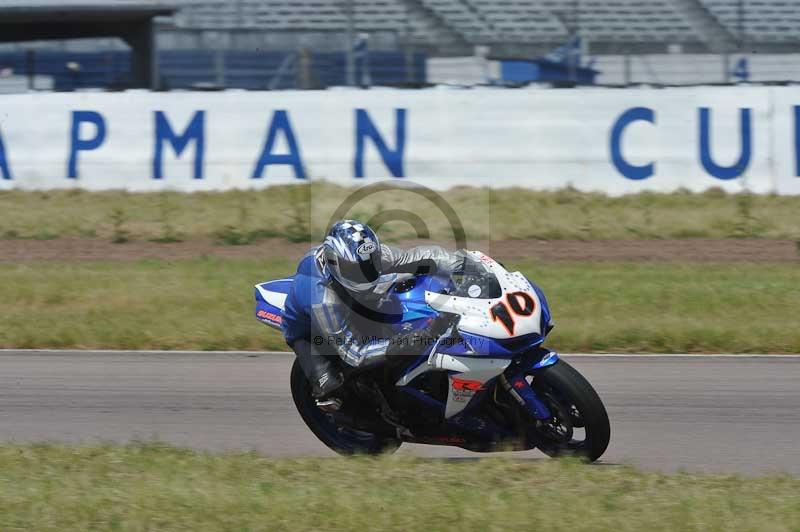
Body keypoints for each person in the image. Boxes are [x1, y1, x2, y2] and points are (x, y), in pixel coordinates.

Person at [282, 220, 464, 405]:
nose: (366, 272)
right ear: (335, 264)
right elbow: (355, 353)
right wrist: (404, 344)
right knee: (332, 387)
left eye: (371, 263)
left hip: (354, 300)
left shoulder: (368, 255)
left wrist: (463, 262)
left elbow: (421, 256)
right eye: (356, 269)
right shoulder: (323, 301)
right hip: (309, 331)